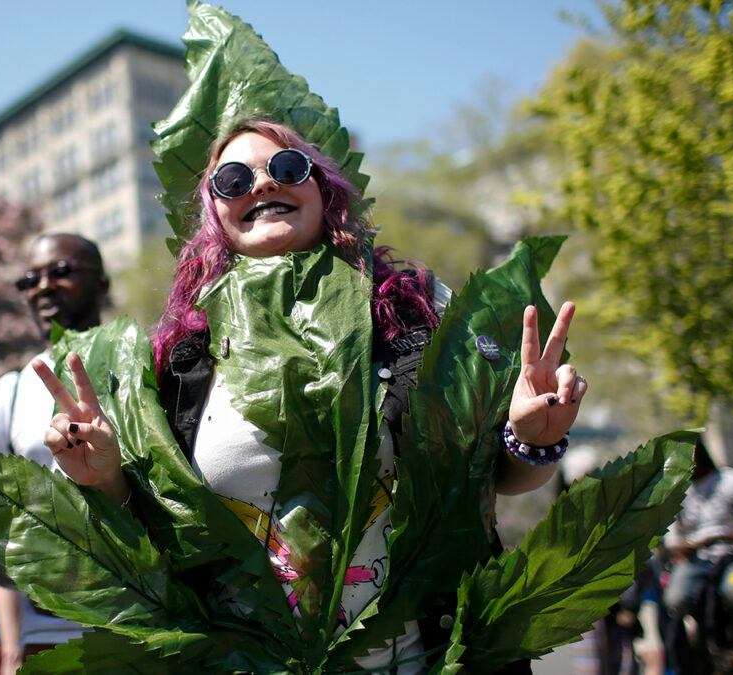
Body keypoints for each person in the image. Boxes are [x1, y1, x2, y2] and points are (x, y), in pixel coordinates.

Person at [30, 118, 588, 671]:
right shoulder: (178, 364)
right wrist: (105, 478)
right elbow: (159, 542)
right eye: (232, 179)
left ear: (323, 189)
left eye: (286, 168)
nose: (264, 186)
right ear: (214, 213)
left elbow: (497, 486)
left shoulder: (417, 318)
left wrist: (531, 440)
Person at [0, 233, 107, 673]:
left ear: (103, 284)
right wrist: (11, 648)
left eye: (61, 271)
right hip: (46, 643)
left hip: (156, 630)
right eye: (30, 279)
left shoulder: (155, 368)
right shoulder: (8, 396)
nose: (43, 286)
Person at [662, 436, 733, 661]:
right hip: (698, 561)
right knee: (676, 598)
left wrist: (719, 537)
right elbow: (673, 542)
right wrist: (687, 548)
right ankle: (704, 641)